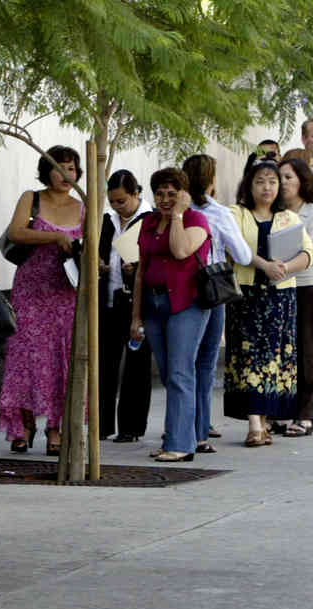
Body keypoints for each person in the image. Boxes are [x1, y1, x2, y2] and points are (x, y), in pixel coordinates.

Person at [0, 146, 84, 456]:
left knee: (60, 361)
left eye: (72, 168)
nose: (66, 174)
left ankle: (54, 429)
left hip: (66, 293)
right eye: (59, 167)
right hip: (30, 291)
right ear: (46, 171)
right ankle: (23, 426)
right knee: (25, 358)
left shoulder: (84, 206)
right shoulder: (31, 198)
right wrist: (54, 237)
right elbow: (17, 233)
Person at [225, 160, 313, 445]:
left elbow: (308, 253)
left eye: (273, 182)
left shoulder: (289, 217)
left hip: (281, 296)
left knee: (274, 359)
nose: (267, 188)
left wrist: (285, 268)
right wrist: (263, 264)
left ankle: (263, 422)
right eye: (260, 181)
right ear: (249, 185)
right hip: (248, 295)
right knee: (250, 356)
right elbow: (235, 247)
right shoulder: (236, 213)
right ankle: (254, 424)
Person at [131, 167, 212, 462]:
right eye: (160, 193)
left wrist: (177, 214)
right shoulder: (148, 223)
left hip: (186, 304)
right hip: (153, 305)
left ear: (183, 194)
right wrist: (135, 316)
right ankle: (175, 438)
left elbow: (180, 250)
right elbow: (141, 270)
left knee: (180, 372)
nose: (165, 199)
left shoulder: (196, 220)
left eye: (172, 193)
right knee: (168, 374)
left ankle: (181, 444)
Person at [181, 155, 254, 453]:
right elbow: (244, 256)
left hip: (176, 292)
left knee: (180, 364)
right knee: (205, 363)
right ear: (212, 180)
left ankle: (180, 429)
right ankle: (200, 431)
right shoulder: (220, 213)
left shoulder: (176, 210)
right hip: (209, 292)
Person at [98, 169, 153, 443]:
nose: (117, 206)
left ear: (135, 194)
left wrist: (137, 269)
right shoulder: (107, 219)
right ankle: (102, 423)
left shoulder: (149, 219)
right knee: (105, 362)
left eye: (122, 201)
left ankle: (131, 427)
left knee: (136, 364)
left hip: (136, 299)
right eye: (113, 201)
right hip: (108, 296)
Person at [278, 157, 313, 433]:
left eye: (288, 177)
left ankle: (306, 412)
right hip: (279, 286)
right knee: (283, 351)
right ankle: (282, 410)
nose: (282, 183)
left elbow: (311, 252)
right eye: (279, 177)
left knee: (307, 349)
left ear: (303, 180)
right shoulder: (274, 212)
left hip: (307, 284)